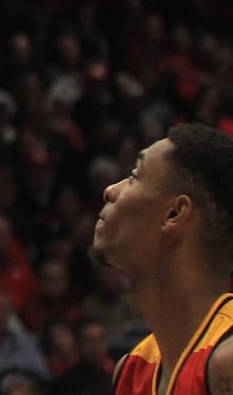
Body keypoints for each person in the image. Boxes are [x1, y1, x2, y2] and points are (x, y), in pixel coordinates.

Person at [90, 123, 233, 395]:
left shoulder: (227, 361)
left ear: (174, 214)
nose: (111, 190)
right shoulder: (132, 369)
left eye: (134, 176)